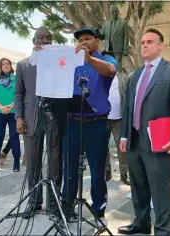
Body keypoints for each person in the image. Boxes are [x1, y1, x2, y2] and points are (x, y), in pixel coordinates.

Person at [118, 28, 170, 236]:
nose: (145, 45)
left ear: (161, 45)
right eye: (142, 42)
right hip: (134, 140)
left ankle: (162, 230)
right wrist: (124, 135)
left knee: (159, 189)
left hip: (158, 141)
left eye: (150, 41)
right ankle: (141, 223)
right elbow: (128, 107)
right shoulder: (136, 74)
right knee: (138, 186)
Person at [62, 27, 117, 226]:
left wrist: (89, 59)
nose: (84, 42)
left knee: (97, 169)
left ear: (97, 41)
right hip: (73, 121)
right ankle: (66, 207)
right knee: (69, 168)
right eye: (80, 39)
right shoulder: (72, 62)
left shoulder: (106, 59)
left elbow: (110, 71)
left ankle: (98, 210)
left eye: (88, 38)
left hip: (97, 123)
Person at [14, 26, 66, 218]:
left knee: (54, 161)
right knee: (33, 163)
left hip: (54, 117)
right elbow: (19, 93)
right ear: (34, 41)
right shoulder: (23, 65)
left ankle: (53, 204)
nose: (44, 41)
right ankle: (34, 202)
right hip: (30, 119)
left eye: (48, 38)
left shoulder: (61, 64)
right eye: (41, 38)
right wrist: (19, 117)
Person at [0, 58, 21, 173]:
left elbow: (20, 94)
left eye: (8, 64)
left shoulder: (16, 79)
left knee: (14, 137)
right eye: (4, 64)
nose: (6, 66)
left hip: (13, 112)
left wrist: (11, 106)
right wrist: (2, 107)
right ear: (0, 67)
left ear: (11, 66)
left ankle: (16, 162)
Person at [104, 69, 130, 185]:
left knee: (122, 148)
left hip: (119, 119)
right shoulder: (101, 76)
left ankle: (124, 175)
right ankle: (106, 173)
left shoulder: (123, 78)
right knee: (102, 147)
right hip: (103, 118)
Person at [101, 5, 129, 71]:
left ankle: (118, 78)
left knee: (117, 64)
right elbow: (102, 36)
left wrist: (125, 49)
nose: (114, 13)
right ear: (110, 13)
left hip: (118, 48)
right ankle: (111, 79)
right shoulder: (105, 24)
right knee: (109, 64)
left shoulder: (123, 23)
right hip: (108, 48)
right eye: (112, 12)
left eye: (116, 12)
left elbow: (126, 36)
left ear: (118, 12)